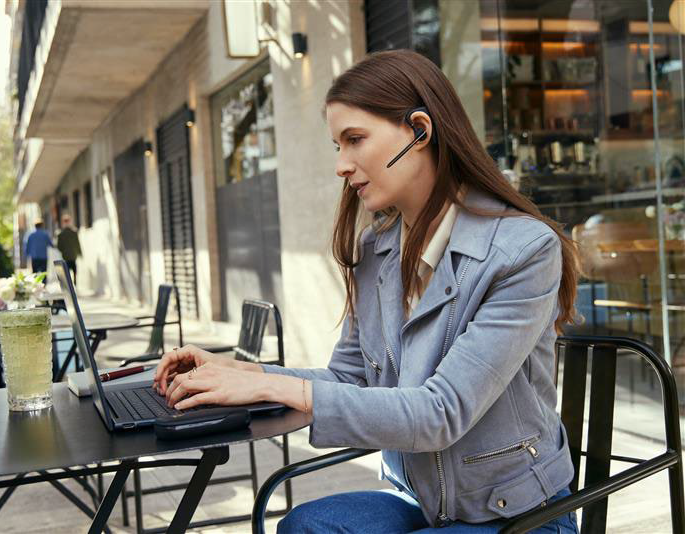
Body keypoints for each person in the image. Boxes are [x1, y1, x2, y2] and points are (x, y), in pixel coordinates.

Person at [152, 50, 580, 533]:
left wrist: (270, 386)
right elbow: (349, 378)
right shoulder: (377, 248)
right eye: (337, 145)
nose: (341, 165)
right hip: (425, 500)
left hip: (521, 515)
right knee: (304, 526)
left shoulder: (522, 250)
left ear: (420, 130)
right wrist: (243, 373)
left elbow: (441, 413)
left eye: (355, 140)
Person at [56, 214, 82, 284]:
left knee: (67, 270)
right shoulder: (74, 232)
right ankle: (74, 282)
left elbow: (59, 246)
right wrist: (79, 253)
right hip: (73, 255)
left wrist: (63, 251)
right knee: (74, 269)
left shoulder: (60, 234)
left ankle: (70, 283)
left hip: (66, 255)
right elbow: (77, 244)